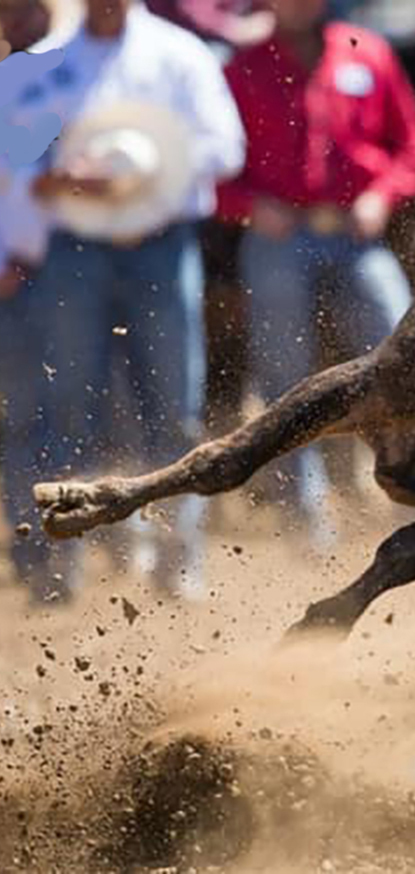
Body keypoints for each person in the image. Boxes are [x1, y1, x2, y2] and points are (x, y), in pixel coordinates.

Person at [0, 0, 245, 603]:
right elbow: (17, 157)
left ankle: (175, 563)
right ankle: (61, 569)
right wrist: (53, 188)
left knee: (172, 410)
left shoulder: (179, 55)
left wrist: (148, 171)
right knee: (68, 413)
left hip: (160, 247)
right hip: (72, 253)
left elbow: (226, 147)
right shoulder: (45, 63)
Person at [217, 0, 415, 544]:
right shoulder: (241, 68)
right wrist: (248, 206)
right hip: (278, 235)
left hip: (356, 235)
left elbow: (414, 146)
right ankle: (304, 525)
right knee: (284, 377)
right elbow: (208, 167)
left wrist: (382, 197)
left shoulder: (370, 54)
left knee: (404, 354)